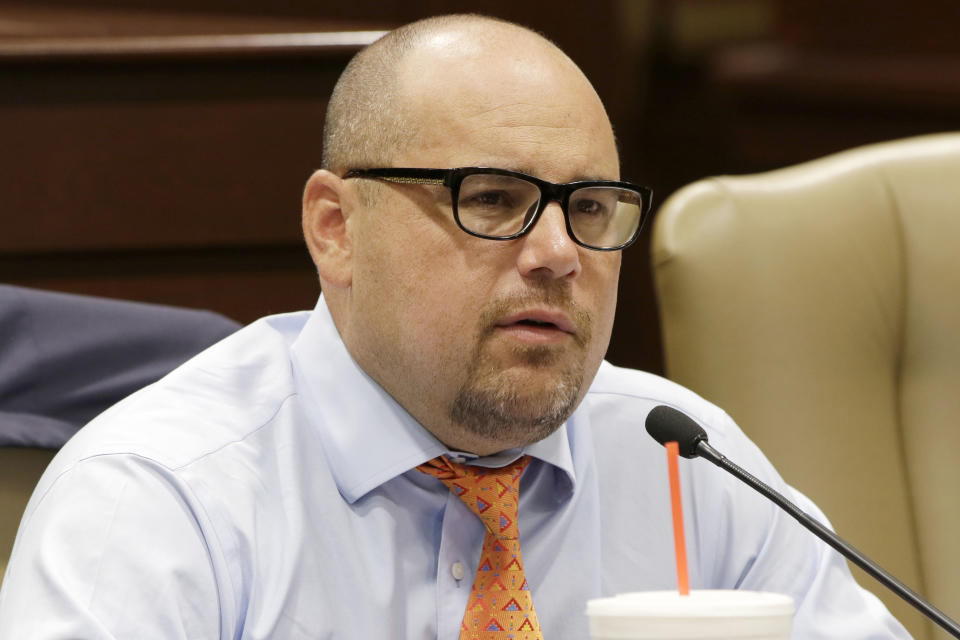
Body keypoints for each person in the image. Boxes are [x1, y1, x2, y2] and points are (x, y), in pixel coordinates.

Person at [0, 15, 909, 639]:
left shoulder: (683, 463)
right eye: (493, 199)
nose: (557, 252)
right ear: (336, 228)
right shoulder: (162, 500)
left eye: (590, 209)